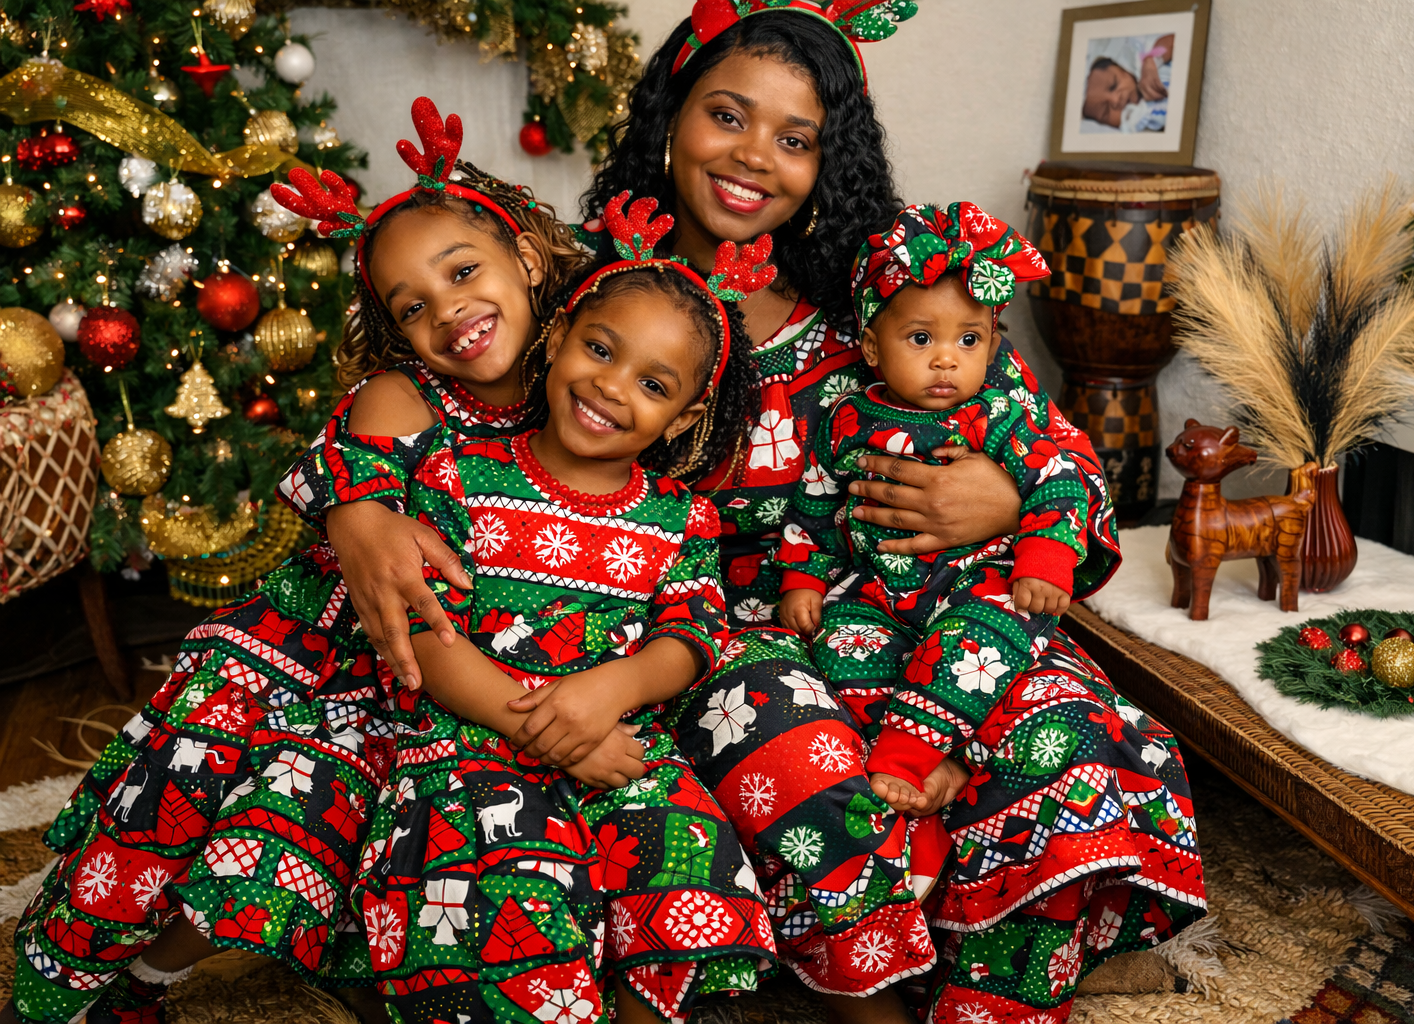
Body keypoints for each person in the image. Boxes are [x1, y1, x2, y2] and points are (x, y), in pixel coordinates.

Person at [307, 5, 1207, 1022]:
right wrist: (357, 500)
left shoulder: (879, 306)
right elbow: (426, 371)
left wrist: (1004, 494)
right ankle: (866, 966)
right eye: (727, 116)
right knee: (784, 729)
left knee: (1065, 718)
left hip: (900, 609)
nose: (753, 157)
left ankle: (1005, 963)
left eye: (796, 139)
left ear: (832, 161)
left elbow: (1062, 455)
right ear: (668, 114)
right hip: (686, 635)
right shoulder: (591, 287)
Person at [2, 100, 587, 1024]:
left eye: (463, 270)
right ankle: (69, 984)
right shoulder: (404, 395)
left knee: (290, 866)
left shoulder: (580, 390)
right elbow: (356, 469)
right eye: (413, 306)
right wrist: (363, 509)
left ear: (526, 257)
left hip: (440, 682)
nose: (450, 312)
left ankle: (154, 984)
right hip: (315, 667)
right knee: (193, 826)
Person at [342, 190, 777, 1024]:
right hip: (473, 740)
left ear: (683, 415)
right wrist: (537, 723)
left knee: (691, 865)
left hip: (615, 737)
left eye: (651, 383)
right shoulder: (460, 479)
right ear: (557, 338)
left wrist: (608, 692)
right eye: (600, 350)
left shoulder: (681, 517)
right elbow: (425, 638)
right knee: (509, 900)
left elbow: (692, 634)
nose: (611, 388)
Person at [774, 201, 1092, 816]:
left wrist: (1047, 556)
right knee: (835, 648)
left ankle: (904, 755)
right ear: (871, 346)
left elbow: (1057, 477)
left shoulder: (996, 414)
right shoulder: (846, 421)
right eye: (921, 339)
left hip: (977, 581)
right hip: (877, 591)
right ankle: (941, 752)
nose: (947, 358)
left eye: (968, 340)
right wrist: (801, 578)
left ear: (993, 344)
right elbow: (814, 502)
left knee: (986, 638)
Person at [1081, 33, 1175, 131]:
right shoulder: (1136, 123)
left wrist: (1152, 61)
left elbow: (1172, 41)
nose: (1115, 100)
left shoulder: (1145, 62)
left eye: (1114, 85)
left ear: (1123, 68)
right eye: (1106, 111)